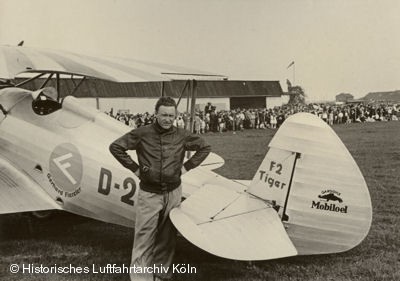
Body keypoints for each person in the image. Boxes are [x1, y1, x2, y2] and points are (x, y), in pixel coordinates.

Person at [109, 97, 211, 281]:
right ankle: (141, 277)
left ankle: (162, 274)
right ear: (156, 114)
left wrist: (186, 167)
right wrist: (135, 169)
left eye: (171, 115)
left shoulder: (182, 135)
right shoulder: (142, 133)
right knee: (144, 235)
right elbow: (116, 147)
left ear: (175, 116)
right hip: (149, 193)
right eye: (163, 115)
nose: (167, 119)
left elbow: (204, 147)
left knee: (167, 235)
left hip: (173, 192)